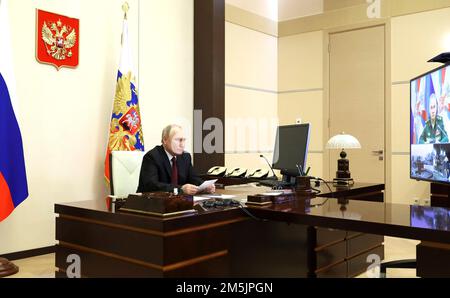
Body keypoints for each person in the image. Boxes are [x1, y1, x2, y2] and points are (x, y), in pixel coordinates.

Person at [137, 124, 215, 195]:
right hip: (154, 203)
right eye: (178, 140)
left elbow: (193, 178)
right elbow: (151, 186)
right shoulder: (152, 156)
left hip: (180, 203)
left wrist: (205, 186)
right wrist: (180, 189)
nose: (182, 144)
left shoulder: (185, 157)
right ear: (165, 140)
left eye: (184, 140)